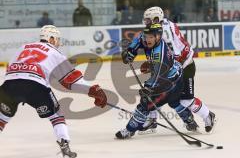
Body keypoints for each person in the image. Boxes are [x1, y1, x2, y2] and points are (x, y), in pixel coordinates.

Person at [0, 25, 107, 157]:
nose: (58, 43)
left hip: (9, 85)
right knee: (56, 115)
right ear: (51, 39)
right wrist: (93, 90)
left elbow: (10, 69)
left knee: (2, 117)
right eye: (57, 39)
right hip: (35, 86)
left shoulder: (23, 47)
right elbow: (71, 81)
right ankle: (64, 143)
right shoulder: (55, 53)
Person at [139, 6, 216, 133]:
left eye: (148, 20)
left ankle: (208, 115)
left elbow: (175, 54)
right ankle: (152, 120)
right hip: (172, 66)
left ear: (156, 19)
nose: (145, 23)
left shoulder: (164, 31)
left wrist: (161, 68)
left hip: (184, 66)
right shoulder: (160, 27)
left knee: (185, 100)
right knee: (152, 90)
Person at [115, 24, 185, 139]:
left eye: (151, 37)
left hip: (169, 80)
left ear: (158, 37)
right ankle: (189, 120)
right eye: (147, 36)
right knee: (174, 102)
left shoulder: (160, 54)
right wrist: (130, 53)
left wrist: (148, 88)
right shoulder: (147, 39)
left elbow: (159, 76)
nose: (147, 39)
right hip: (172, 73)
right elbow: (138, 40)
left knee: (145, 104)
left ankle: (129, 130)